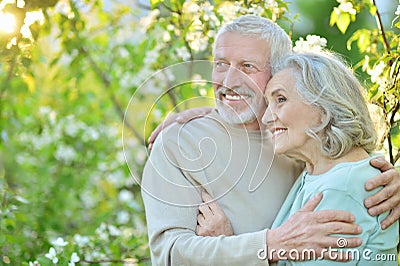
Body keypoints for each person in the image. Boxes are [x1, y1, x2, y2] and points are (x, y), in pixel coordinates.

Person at [141, 15, 400, 265]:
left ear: (277, 73)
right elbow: (169, 256)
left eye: (247, 67)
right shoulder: (177, 142)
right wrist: (267, 246)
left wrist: (391, 179)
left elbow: (348, 170)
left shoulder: (295, 141)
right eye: (220, 64)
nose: (229, 82)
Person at [261, 51, 399, 264]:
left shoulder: (340, 187)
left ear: (324, 108)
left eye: (280, 99)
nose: (266, 118)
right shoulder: (320, 170)